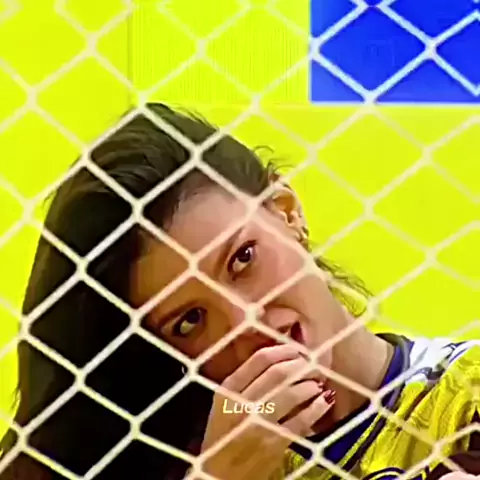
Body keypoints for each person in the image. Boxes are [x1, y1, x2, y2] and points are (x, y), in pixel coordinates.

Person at [0, 104, 479, 480]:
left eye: (242, 259)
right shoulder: (180, 455)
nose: (246, 322)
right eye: (190, 320)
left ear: (286, 212)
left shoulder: (464, 397)